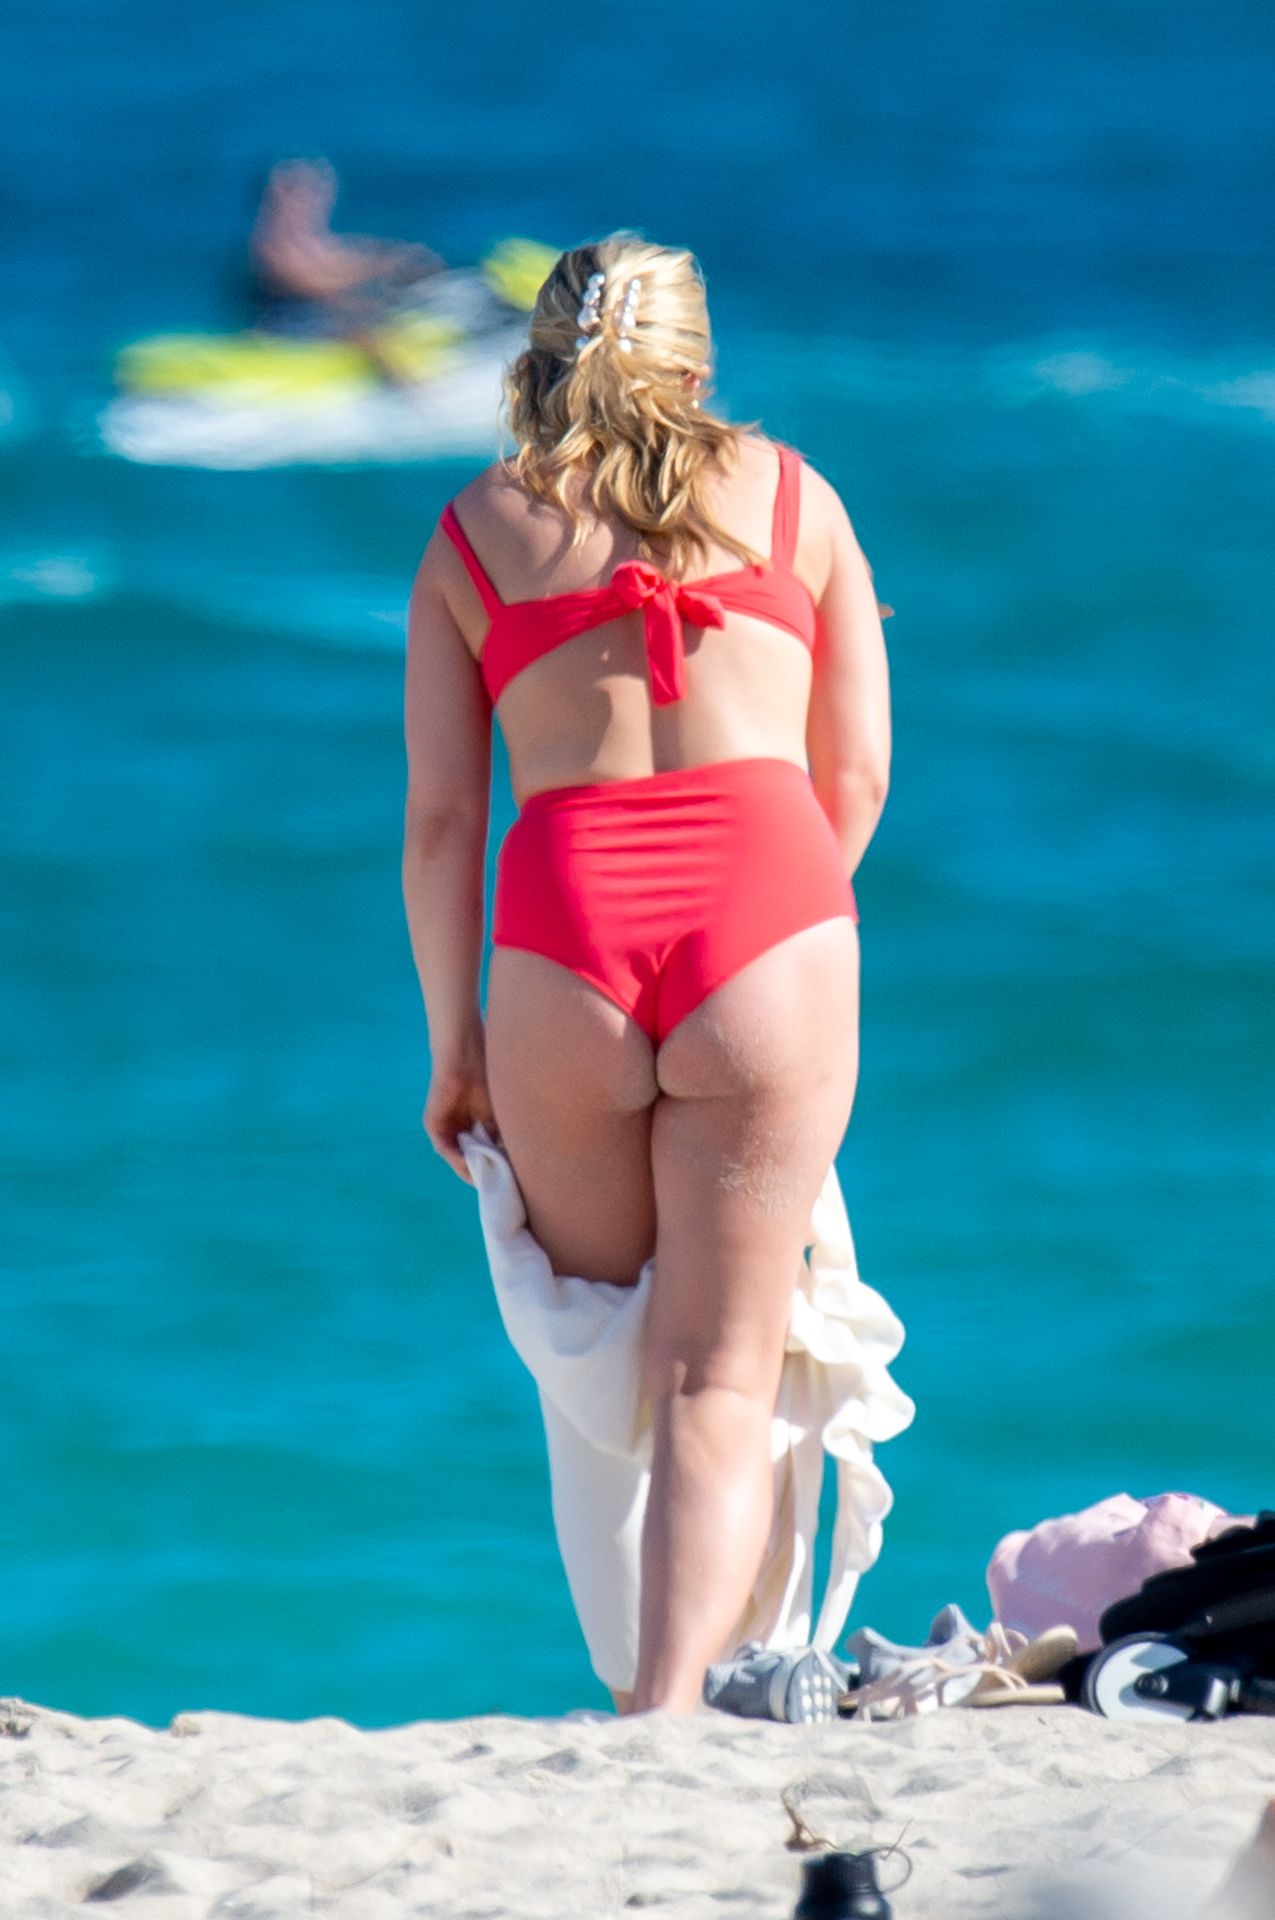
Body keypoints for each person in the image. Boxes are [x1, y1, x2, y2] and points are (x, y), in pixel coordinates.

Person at [402, 231, 892, 1716]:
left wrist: (454, 1044)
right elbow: (856, 776)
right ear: (698, 358)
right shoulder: (797, 499)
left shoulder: (475, 529)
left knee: (603, 1359)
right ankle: (678, 1700)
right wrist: (776, 929)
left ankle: (634, 1694)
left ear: (539, 354)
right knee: (718, 1372)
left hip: (565, 943)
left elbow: (440, 826)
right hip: (767, 915)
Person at [249, 157, 443, 338]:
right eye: (297, 191)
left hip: (320, 311)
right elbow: (305, 281)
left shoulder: (309, 238)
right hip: (291, 321)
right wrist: (366, 282)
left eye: (315, 190)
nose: (309, 199)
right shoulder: (271, 243)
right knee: (364, 321)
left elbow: (339, 257)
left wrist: (391, 259)